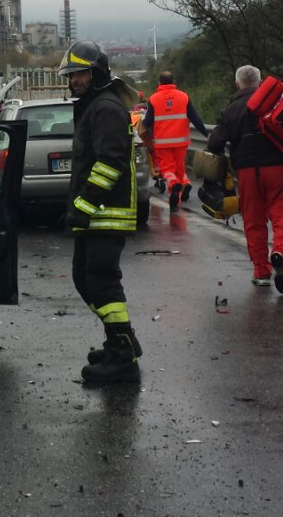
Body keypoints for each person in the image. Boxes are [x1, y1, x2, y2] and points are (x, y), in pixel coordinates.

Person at [58, 39, 142, 383]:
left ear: (97, 72)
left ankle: (122, 358)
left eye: (80, 73)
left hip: (106, 214)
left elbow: (110, 163)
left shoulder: (105, 108)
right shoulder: (95, 105)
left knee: (102, 282)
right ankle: (119, 339)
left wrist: (84, 206)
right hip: (95, 214)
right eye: (72, 74)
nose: (75, 80)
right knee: (84, 278)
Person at [207, 65, 283, 291]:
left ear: (237, 84)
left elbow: (215, 144)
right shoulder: (276, 101)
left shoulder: (232, 109)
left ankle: (261, 271)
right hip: (280, 168)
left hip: (248, 171)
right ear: (260, 82)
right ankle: (280, 253)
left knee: (253, 220)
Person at [142, 71, 209, 210]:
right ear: (173, 81)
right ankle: (180, 189)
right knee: (179, 168)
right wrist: (206, 134)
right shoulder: (184, 97)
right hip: (181, 142)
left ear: (159, 83)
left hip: (162, 143)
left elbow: (147, 122)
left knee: (167, 169)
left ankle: (173, 185)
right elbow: (195, 118)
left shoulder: (154, 99)